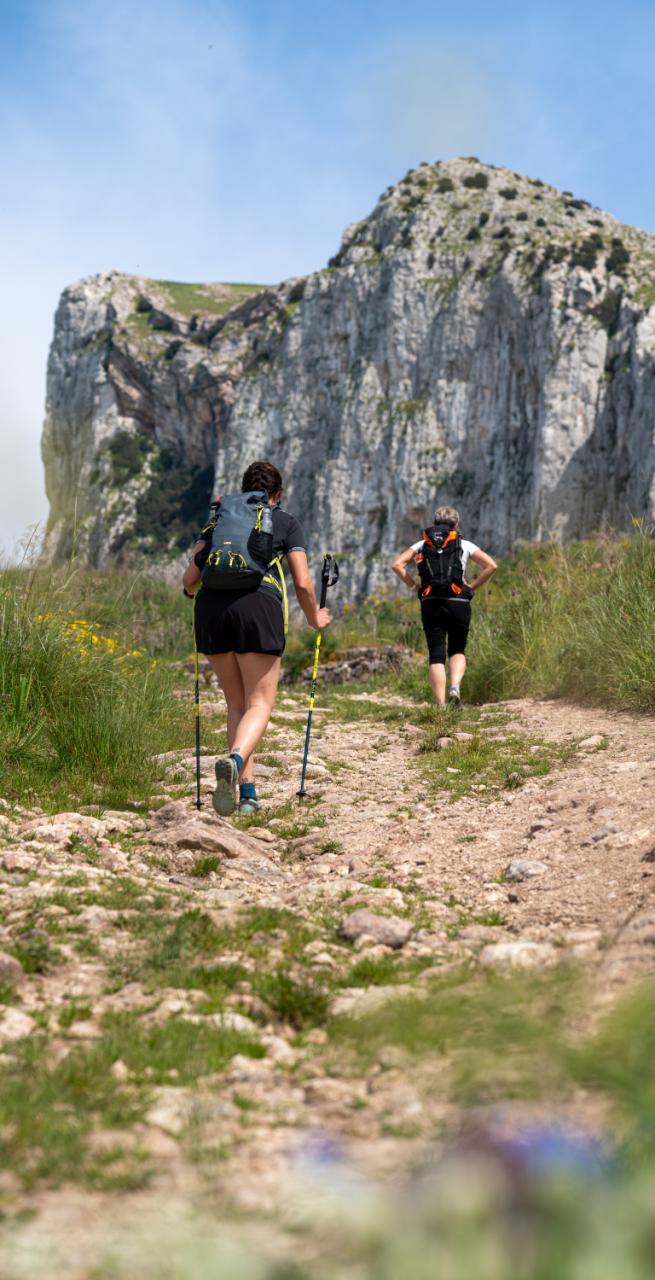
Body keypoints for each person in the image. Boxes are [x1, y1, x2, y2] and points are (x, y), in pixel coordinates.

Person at [182, 461, 330, 816]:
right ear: (276, 494)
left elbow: (189, 580)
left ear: (245, 490)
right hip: (257, 608)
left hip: (211, 611)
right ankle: (235, 760)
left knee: (236, 705)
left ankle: (247, 795)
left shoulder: (218, 520)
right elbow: (303, 582)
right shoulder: (284, 521)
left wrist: (190, 593)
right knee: (259, 704)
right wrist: (315, 618)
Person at [391, 505, 497, 707]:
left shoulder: (422, 544)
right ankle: (455, 687)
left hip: (431, 602)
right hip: (459, 601)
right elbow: (491, 565)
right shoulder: (463, 544)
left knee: (436, 655)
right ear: (456, 525)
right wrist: (471, 587)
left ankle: (440, 706)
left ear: (434, 523)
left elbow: (397, 565)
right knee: (457, 649)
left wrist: (414, 587)